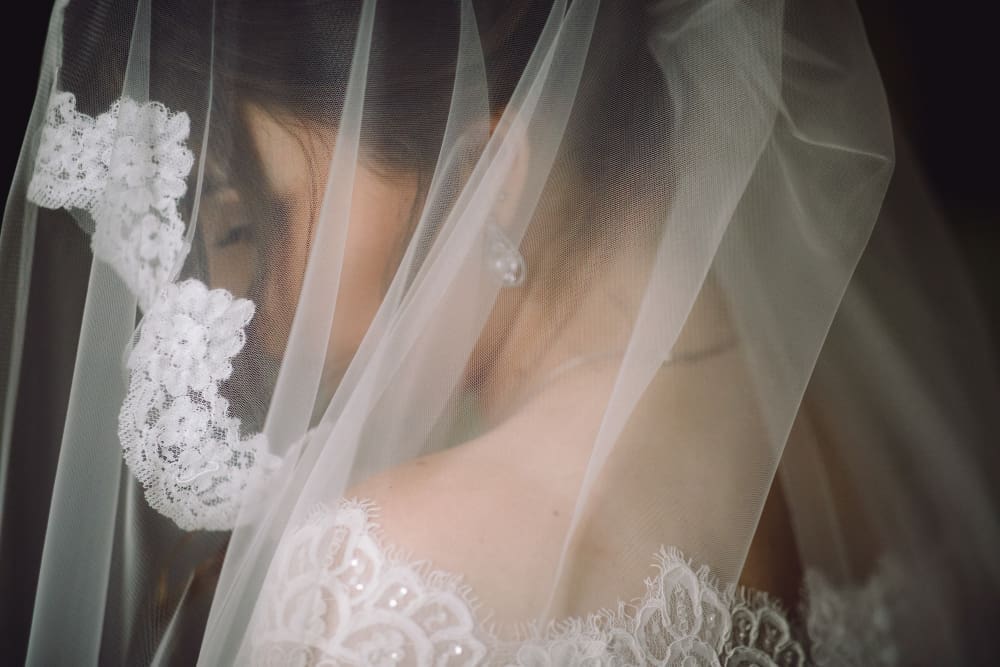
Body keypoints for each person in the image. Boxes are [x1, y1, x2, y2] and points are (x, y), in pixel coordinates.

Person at [2, 0, 997, 664]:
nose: (247, 306)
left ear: (478, 181)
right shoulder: (858, 427)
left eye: (250, 222)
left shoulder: (390, 575)